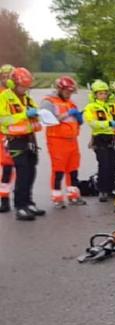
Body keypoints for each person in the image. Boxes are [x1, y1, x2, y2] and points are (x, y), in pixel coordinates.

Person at [0, 67, 46, 220]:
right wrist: (24, 114)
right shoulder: (4, 97)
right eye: (22, 86)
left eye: (27, 86)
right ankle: (20, 206)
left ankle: (29, 202)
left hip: (30, 139)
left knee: (31, 172)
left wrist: (38, 116)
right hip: (15, 141)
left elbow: (35, 118)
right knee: (22, 173)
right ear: (13, 84)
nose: (25, 89)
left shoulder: (27, 98)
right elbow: (4, 119)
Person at [40, 76, 86, 208]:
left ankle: (73, 196)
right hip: (57, 140)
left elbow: (77, 121)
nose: (69, 94)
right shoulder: (48, 101)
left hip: (72, 140)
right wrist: (66, 115)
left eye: (71, 92)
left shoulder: (71, 103)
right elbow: (47, 120)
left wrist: (79, 118)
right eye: (67, 91)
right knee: (58, 170)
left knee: (73, 169)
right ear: (59, 89)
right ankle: (57, 197)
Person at [84, 80, 115, 202]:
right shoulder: (91, 107)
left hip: (114, 138)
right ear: (95, 95)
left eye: (105, 93)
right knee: (103, 164)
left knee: (112, 164)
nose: (103, 96)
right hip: (100, 138)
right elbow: (93, 123)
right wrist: (109, 123)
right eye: (100, 94)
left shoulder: (113, 106)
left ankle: (110, 189)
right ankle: (102, 190)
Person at [0, 64, 15, 212]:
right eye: (3, 77)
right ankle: (4, 199)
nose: (6, 80)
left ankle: (21, 199)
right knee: (7, 166)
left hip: (18, 134)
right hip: (3, 135)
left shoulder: (18, 94)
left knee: (23, 168)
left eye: (8, 77)